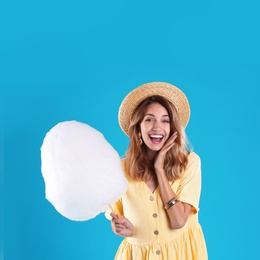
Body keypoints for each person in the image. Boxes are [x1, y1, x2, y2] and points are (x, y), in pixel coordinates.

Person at [106, 82, 208, 259]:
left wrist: (159, 170)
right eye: (149, 119)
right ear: (138, 127)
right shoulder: (120, 169)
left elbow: (178, 221)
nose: (156, 127)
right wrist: (120, 227)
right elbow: (118, 219)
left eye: (165, 120)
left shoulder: (189, 162)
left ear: (172, 129)